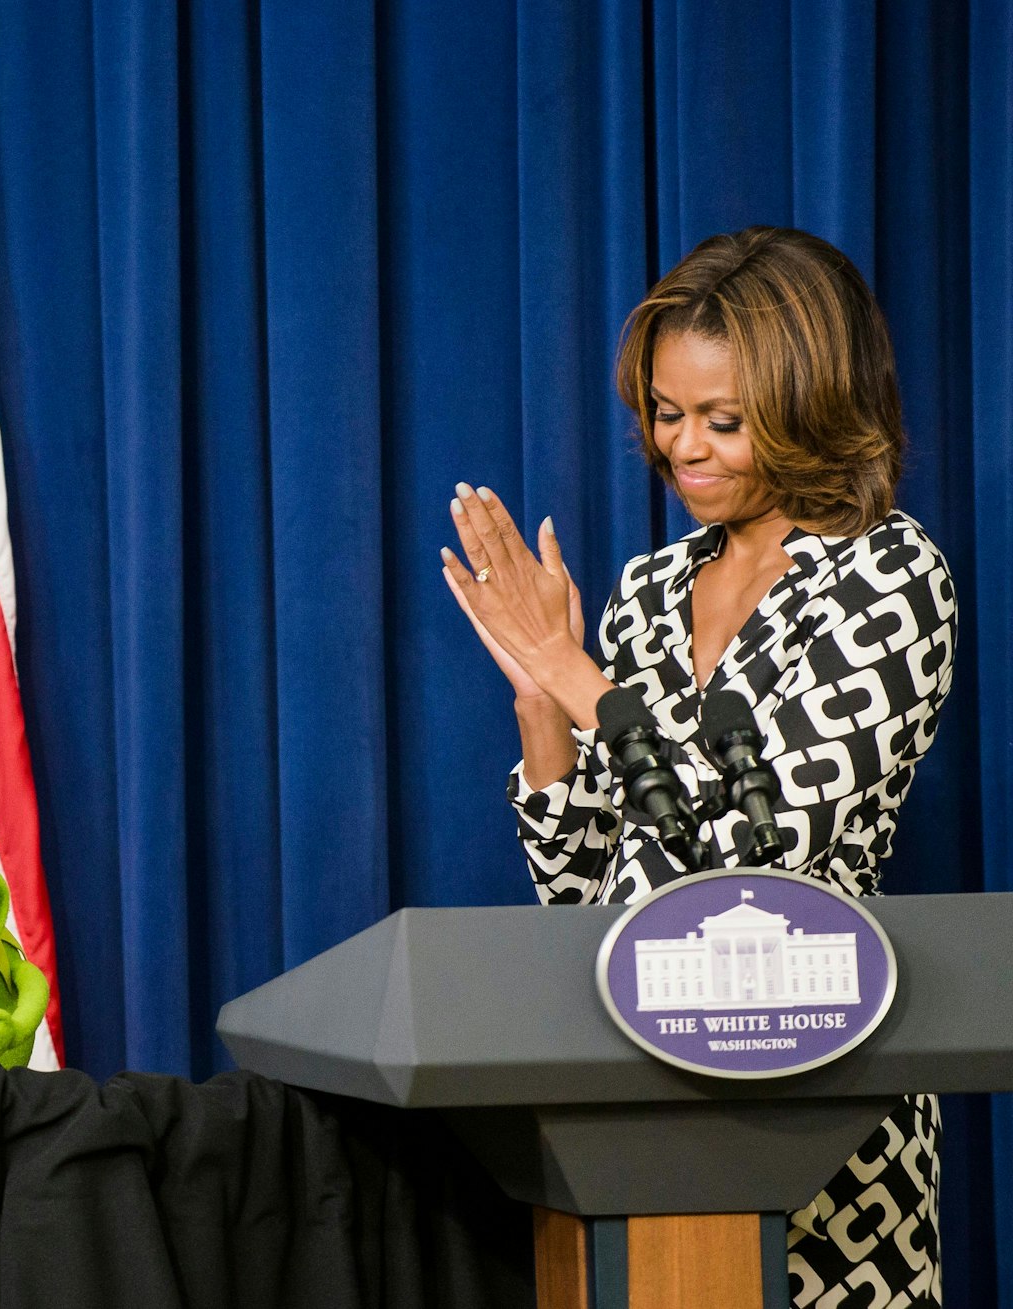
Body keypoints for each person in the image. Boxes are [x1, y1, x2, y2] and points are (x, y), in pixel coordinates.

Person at [441, 227, 953, 1305]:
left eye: (721, 421)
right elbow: (585, 889)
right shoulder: (649, 587)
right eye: (665, 415)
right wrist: (539, 697)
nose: (683, 448)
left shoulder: (886, 574)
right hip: (628, 1097)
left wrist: (575, 672)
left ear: (810, 401)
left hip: (814, 1103)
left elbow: (760, 852)